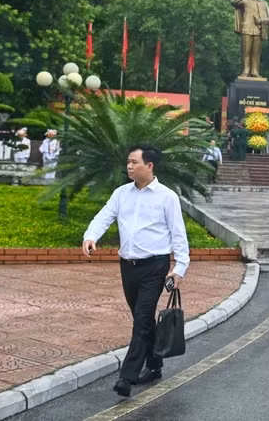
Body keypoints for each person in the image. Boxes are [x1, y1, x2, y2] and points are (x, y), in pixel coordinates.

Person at [82, 145, 190, 398]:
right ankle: (154, 365)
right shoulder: (121, 193)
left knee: (142, 318)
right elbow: (104, 216)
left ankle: (127, 376)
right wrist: (90, 236)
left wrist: (180, 268)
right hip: (128, 266)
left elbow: (178, 234)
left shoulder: (167, 197)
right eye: (128, 162)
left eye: (134, 162)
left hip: (155, 266)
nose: (129, 166)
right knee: (142, 320)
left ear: (149, 165)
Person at [231, 0, 269, 78]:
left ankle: (254, 71)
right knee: (246, 52)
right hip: (246, 29)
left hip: (258, 30)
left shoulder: (263, 3)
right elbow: (233, 1)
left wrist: (261, 20)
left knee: (256, 53)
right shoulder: (245, 1)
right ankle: (245, 71)